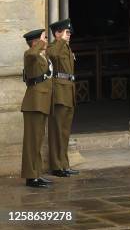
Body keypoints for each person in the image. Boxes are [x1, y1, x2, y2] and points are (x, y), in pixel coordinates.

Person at [21, 29, 53, 188]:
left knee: (37, 140)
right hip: (34, 103)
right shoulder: (30, 55)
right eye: (43, 38)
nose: (46, 40)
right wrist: (39, 43)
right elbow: (32, 54)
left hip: (41, 103)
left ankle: (36, 174)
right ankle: (30, 176)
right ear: (34, 42)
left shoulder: (42, 55)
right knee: (31, 142)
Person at [47, 18, 78, 177]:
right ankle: (56, 166)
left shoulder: (66, 49)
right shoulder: (54, 46)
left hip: (68, 92)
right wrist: (59, 41)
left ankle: (64, 164)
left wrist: (63, 42)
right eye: (66, 32)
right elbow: (50, 55)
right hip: (59, 94)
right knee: (57, 131)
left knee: (65, 132)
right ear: (57, 33)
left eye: (69, 32)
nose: (69, 35)